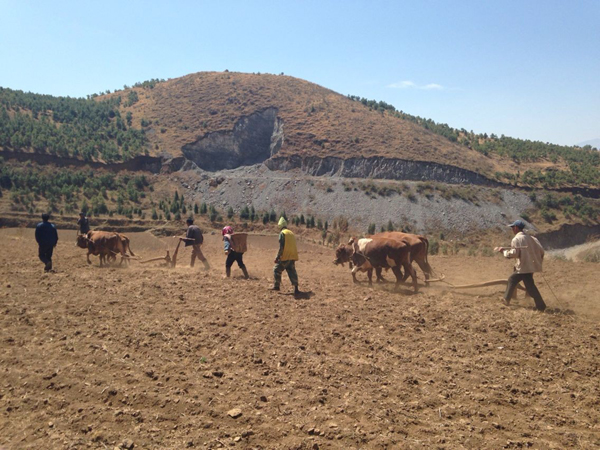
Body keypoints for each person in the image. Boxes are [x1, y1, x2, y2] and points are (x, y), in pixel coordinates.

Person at [495, 219, 546, 312]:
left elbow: (514, 254)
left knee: (512, 279)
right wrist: (536, 261)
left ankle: (506, 300)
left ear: (516, 228)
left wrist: (503, 251)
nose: (512, 229)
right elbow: (542, 251)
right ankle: (541, 305)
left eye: (512, 227)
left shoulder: (517, 239)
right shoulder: (533, 238)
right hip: (531, 266)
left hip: (523, 267)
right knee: (529, 286)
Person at [271, 217, 300, 296]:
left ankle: (277, 286)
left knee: (276, 269)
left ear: (280, 226)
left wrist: (278, 257)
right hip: (292, 255)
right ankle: (296, 289)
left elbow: (282, 247)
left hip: (285, 256)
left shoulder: (282, 233)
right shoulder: (291, 233)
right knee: (292, 271)